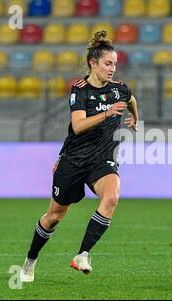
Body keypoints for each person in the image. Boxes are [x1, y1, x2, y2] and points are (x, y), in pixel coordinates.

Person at [19, 30, 139, 282]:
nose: (112, 68)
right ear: (93, 63)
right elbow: (78, 126)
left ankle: (83, 254)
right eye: (108, 63)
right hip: (74, 160)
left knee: (112, 196)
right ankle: (30, 261)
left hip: (101, 160)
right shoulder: (80, 89)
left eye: (115, 64)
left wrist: (135, 117)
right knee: (54, 216)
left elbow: (131, 99)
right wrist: (107, 114)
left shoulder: (119, 90)